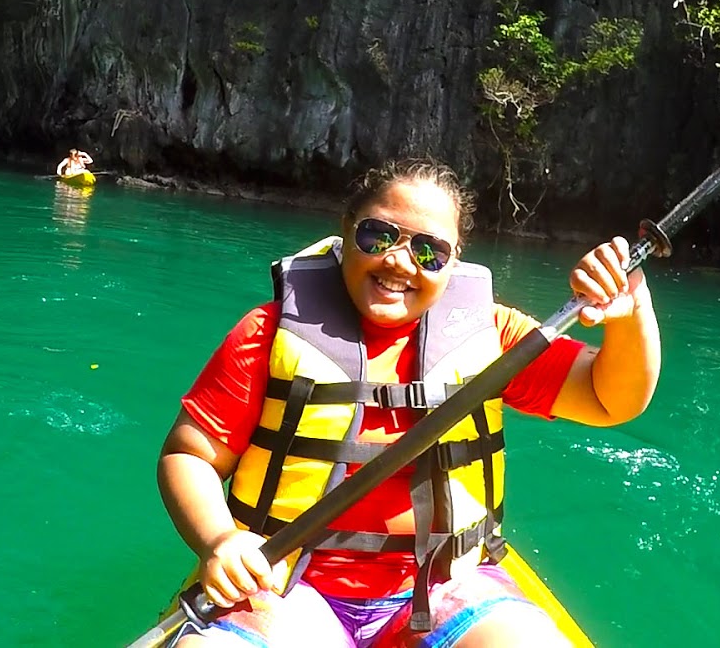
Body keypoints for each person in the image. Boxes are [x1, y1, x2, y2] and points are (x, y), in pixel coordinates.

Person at [158, 158, 662, 647]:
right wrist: (219, 540)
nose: (398, 261)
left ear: (454, 260)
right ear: (346, 228)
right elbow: (189, 455)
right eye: (378, 236)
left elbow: (609, 398)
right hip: (287, 589)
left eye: (429, 252)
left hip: (443, 585)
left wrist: (631, 307)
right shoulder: (266, 334)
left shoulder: (495, 336)